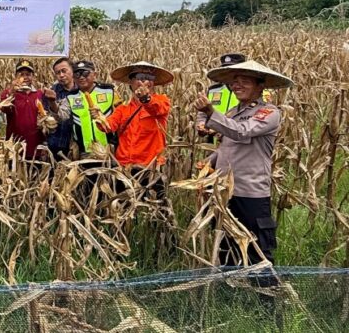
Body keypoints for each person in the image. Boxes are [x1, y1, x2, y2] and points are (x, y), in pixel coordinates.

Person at [194, 60, 292, 266]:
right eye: (234, 81)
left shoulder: (269, 113)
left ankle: (266, 287)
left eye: (245, 81)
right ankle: (231, 286)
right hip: (224, 191)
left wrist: (211, 112)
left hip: (250, 192)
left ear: (260, 85)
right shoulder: (232, 112)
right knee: (226, 248)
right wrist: (208, 162)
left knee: (257, 252)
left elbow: (241, 132)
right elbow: (226, 147)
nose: (237, 85)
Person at [97, 62, 172, 169]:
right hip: (124, 165)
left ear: (153, 83)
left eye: (149, 77)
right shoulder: (123, 109)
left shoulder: (162, 101)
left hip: (150, 167)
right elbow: (108, 126)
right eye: (139, 77)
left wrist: (146, 99)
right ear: (131, 82)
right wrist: (99, 118)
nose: (144, 81)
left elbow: (157, 108)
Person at [197, 53, 272, 139]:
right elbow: (204, 113)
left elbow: (245, 130)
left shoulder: (263, 95)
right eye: (226, 70)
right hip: (216, 141)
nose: (230, 74)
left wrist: (212, 115)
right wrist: (202, 124)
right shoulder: (213, 90)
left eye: (233, 70)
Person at [58, 60, 120, 157]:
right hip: (84, 151)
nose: (81, 77)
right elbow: (62, 116)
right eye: (77, 74)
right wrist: (52, 102)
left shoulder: (109, 91)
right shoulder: (71, 97)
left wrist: (102, 117)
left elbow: (123, 116)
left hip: (109, 150)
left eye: (85, 73)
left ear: (94, 74)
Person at [0, 59, 47, 159]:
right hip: (14, 148)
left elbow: (45, 119)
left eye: (28, 74)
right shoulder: (8, 94)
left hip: (35, 147)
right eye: (21, 74)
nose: (25, 77)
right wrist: (11, 92)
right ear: (16, 76)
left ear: (33, 76)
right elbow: (4, 109)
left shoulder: (39, 94)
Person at [45, 57, 79, 160]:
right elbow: (44, 117)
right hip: (56, 144)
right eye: (58, 73)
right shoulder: (51, 92)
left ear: (72, 70)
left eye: (64, 71)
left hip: (79, 146)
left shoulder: (82, 89)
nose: (61, 75)